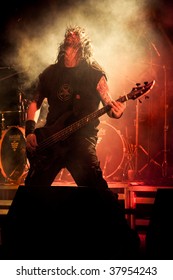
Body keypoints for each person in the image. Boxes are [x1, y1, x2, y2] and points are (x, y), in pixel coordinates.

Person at [24, 25, 126, 189]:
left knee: (97, 193)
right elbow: (35, 102)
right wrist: (29, 132)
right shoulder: (51, 72)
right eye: (68, 34)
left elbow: (109, 104)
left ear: (84, 44)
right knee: (32, 193)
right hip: (51, 141)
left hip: (81, 141)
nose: (70, 34)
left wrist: (117, 112)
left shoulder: (93, 73)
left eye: (76, 34)